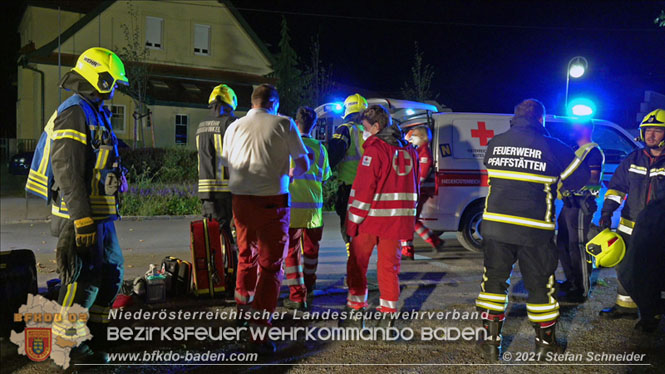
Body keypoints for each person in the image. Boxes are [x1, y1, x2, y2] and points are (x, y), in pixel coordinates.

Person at [27, 47, 129, 363]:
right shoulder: (74, 111)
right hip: (80, 217)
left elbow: (98, 159)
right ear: (99, 79)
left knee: (111, 273)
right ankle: (66, 346)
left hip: (100, 215)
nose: (115, 88)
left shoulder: (93, 110)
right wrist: (82, 218)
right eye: (112, 81)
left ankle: (95, 334)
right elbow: (66, 169)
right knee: (81, 280)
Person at [475, 99, 589, 361]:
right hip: (534, 230)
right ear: (541, 120)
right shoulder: (552, 146)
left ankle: (491, 343)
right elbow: (581, 178)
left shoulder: (495, 142)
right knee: (540, 286)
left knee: (493, 282)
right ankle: (545, 345)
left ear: (515, 117)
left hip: (495, 226)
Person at [222, 84, 310, 352]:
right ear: (274, 103)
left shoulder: (234, 127)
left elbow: (226, 165)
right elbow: (303, 163)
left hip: (240, 201)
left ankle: (242, 309)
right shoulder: (284, 123)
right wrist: (291, 173)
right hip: (272, 202)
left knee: (246, 256)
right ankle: (259, 335)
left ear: (253, 102)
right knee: (271, 266)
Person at [344, 105, 419, 328]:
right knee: (389, 269)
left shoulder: (375, 150)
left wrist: (353, 222)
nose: (363, 133)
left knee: (358, 265)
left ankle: (356, 312)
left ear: (376, 127)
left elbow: (364, 190)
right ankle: (388, 317)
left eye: (365, 128)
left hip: (370, 221)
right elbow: (415, 189)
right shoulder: (409, 150)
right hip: (397, 223)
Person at [598, 109, 665, 320]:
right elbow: (617, 187)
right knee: (624, 268)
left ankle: (650, 314)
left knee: (654, 272)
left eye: (657, 131)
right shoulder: (633, 158)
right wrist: (606, 213)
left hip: (658, 231)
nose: (650, 136)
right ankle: (625, 307)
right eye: (647, 131)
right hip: (629, 227)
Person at [283, 106, 332, 310]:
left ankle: (297, 295)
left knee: (292, 252)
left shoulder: (288, 145)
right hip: (314, 208)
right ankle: (310, 286)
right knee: (311, 250)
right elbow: (326, 176)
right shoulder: (320, 148)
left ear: (296, 122)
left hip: (292, 206)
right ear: (314, 125)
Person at [556, 119, 605, 302]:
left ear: (585, 129)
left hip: (580, 204)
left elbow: (594, 181)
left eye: (575, 127)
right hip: (569, 203)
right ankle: (571, 281)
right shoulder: (576, 151)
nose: (571, 130)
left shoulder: (592, 152)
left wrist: (574, 191)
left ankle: (582, 290)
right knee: (562, 243)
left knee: (578, 247)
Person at [196, 84, 237, 243]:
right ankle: (230, 266)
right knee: (229, 236)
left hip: (205, 191)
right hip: (226, 189)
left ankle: (212, 265)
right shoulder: (231, 123)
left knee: (211, 234)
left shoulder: (201, 125)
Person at [619, 193, 665, 332]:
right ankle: (650, 314)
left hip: (654, 215)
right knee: (632, 272)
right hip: (650, 216)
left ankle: (651, 315)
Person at [328, 93, 368, 249]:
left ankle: (353, 261)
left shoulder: (345, 129)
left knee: (348, 225)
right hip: (367, 186)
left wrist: (325, 172)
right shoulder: (368, 131)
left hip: (349, 185)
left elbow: (335, 153)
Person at [400, 126, 444, 260]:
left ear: (423, 137)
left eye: (415, 135)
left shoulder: (424, 152)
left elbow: (422, 174)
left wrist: (411, 187)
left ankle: (408, 250)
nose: (413, 137)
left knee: (408, 219)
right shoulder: (418, 150)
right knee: (411, 220)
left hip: (420, 190)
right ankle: (433, 241)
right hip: (419, 190)